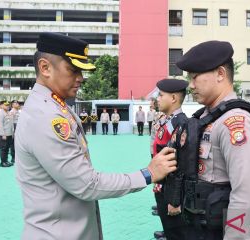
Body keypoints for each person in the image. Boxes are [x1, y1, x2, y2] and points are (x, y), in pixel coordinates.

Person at [15, 32, 177, 240]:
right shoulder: (46, 116)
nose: (80, 78)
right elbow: (86, 184)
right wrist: (147, 174)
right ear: (45, 68)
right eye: (73, 70)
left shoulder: (57, 106)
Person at [176, 40, 250, 239]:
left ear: (220, 74)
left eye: (195, 77)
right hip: (200, 225)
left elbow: (246, 196)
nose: (190, 85)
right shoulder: (207, 117)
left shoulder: (235, 122)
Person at [151, 79, 189, 240]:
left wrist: (174, 199)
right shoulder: (168, 120)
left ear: (173, 98)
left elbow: (180, 164)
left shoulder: (179, 123)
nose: (157, 98)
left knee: (176, 232)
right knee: (168, 226)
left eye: (161, 95)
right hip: (162, 183)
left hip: (170, 187)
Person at [0, 101, 14, 167]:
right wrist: (3, 134)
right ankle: (3, 162)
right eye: (6, 105)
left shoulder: (8, 113)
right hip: (4, 135)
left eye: (8, 105)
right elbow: (0, 124)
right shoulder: (0, 113)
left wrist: (12, 133)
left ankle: (6, 161)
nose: (7, 106)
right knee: (3, 148)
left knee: (7, 148)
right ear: (2, 106)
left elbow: (11, 124)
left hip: (9, 134)